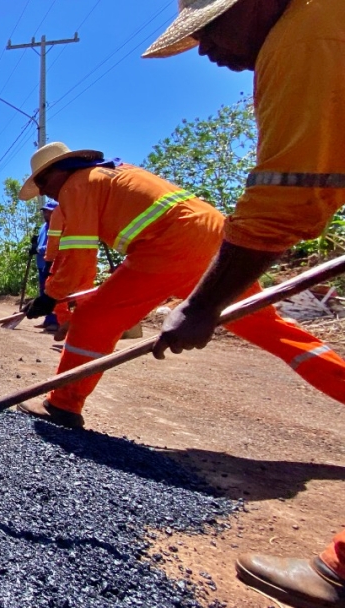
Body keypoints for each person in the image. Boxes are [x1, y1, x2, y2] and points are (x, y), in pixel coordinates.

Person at [143, 1, 345, 604]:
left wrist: (200, 308)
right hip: (203, 242)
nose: (204, 49)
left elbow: (288, 198)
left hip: (195, 250)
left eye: (208, 30)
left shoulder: (304, 36)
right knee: (276, 329)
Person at [14, 141, 345, 431]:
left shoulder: (77, 185)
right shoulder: (112, 173)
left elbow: (79, 256)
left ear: (57, 172)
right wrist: (63, 300)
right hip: (217, 238)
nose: (45, 193)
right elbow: (86, 268)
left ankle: (62, 405)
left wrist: (52, 297)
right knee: (267, 325)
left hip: (169, 244)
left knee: (94, 319)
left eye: (43, 184)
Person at [34, 201, 60, 331]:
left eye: (48, 211)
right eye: (44, 211)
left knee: (52, 293)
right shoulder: (43, 227)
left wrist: (39, 249)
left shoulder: (58, 226)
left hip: (53, 264)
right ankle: (47, 319)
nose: (45, 213)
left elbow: (55, 246)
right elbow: (41, 244)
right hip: (42, 264)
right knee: (43, 292)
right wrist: (34, 245)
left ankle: (55, 321)